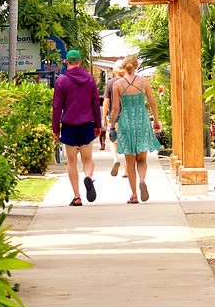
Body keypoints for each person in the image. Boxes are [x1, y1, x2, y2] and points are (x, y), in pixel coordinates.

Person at [52, 49, 102, 206]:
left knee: (72, 162)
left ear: (66, 62)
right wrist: (97, 125)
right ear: (80, 62)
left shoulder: (61, 81)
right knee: (88, 159)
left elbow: (57, 107)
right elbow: (95, 102)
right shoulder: (89, 79)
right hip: (87, 123)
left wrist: (56, 128)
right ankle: (88, 176)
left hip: (69, 125)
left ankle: (77, 196)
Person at [109, 55, 161, 203]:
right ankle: (142, 180)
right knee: (142, 159)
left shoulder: (117, 84)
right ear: (136, 66)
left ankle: (134, 195)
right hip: (142, 121)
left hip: (126, 123)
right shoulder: (144, 81)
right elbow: (152, 103)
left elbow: (115, 108)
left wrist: (112, 125)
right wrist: (156, 121)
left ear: (123, 67)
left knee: (130, 161)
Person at [101, 58, 126, 178]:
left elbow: (106, 101)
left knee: (112, 140)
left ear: (115, 70)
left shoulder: (110, 83)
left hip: (115, 117)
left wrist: (104, 116)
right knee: (127, 142)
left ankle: (116, 159)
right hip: (128, 117)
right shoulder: (129, 81)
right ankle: (126, 170)